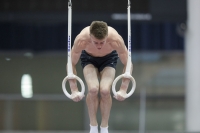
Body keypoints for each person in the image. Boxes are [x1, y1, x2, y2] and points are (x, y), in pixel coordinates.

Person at [67, 21, 133, 133]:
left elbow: (128, 63)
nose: (99, 46)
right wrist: (73, 89)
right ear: (90, 36)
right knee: (93, 89)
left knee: (105, 90)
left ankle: (104, 127)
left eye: (102, 42)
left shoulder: (115, 40)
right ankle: (93, 126)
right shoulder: (81, 40)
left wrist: (123, 88)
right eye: (95, 42)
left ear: (107, 36)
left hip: (109, 59)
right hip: (88, 59)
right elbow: (71, 63)